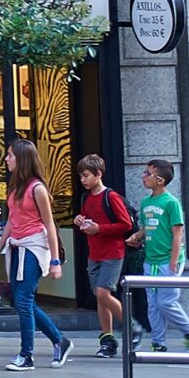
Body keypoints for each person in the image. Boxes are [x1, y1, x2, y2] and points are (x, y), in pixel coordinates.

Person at [0, 136, 70, 370]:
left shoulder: (37, 189)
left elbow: (49, 225)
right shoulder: (16, 186)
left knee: (24, 300)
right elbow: (11, 220)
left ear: (22, 159)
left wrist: (55, 261)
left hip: (34, 247)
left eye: (10, 155)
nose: (6, 159)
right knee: (20, 300)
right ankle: (59, 340)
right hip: (16, 246)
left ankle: (26, 355)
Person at [137, 158, 189, 352]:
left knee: (166, 302)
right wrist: (137, 236)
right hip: (151, 260)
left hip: (167, 260)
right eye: (145, 172)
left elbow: (177, 234)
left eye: (148, 174)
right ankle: (158, 342)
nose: (144, 176)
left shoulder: (171, 203)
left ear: (160, 180)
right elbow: (148, 228)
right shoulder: (146, 202)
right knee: (153, 305)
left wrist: (174, 260)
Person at [74, 153, 132, 360]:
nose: (83, 180)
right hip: (95, 252)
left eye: (86, 176)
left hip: (112, 252)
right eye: (81, 176)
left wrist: (100, 228)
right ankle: (107, 339)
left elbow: (126, 224)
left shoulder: (111, 197)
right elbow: (89, 221)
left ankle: (131, 326)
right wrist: (80, 220)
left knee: (103, 293)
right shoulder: (86, 198)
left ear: (98, 174)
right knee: (100, 296)